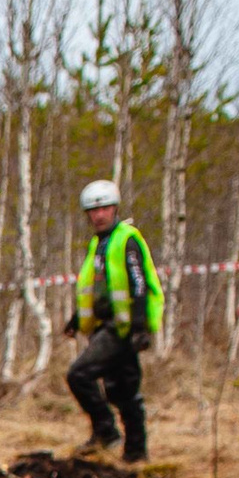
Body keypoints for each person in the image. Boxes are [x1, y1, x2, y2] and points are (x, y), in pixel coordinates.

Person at [63, 179, 164, 463]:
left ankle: (107, 432)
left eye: (104, 208)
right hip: (104, 326)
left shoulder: (126, 239)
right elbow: (98, 288)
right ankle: (135, 454)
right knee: (123, 390)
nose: (98, 215)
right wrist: (77, 319)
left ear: (115, 208)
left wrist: (141, 327)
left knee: (79, 375)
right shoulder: (99, 244)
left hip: (123, 328)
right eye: (92, 211)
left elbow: (139, 283)